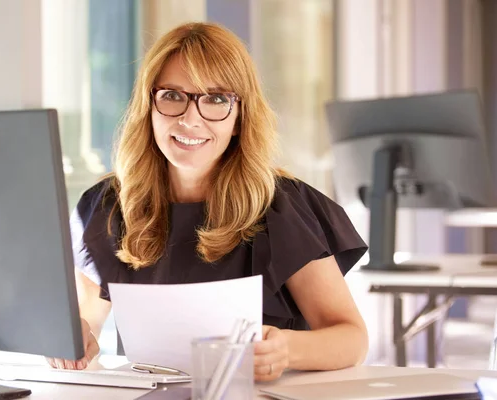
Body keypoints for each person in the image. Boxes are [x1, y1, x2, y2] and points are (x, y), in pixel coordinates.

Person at [47, 21, 369, 382]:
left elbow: (352, 338)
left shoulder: (282, 206)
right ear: (148, 105)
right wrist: (75, 339)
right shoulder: (109, 204)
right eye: (172, 95)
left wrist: (286, 349)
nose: (190, 119)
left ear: (239, 117)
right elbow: (85, 319)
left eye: (216, 99)